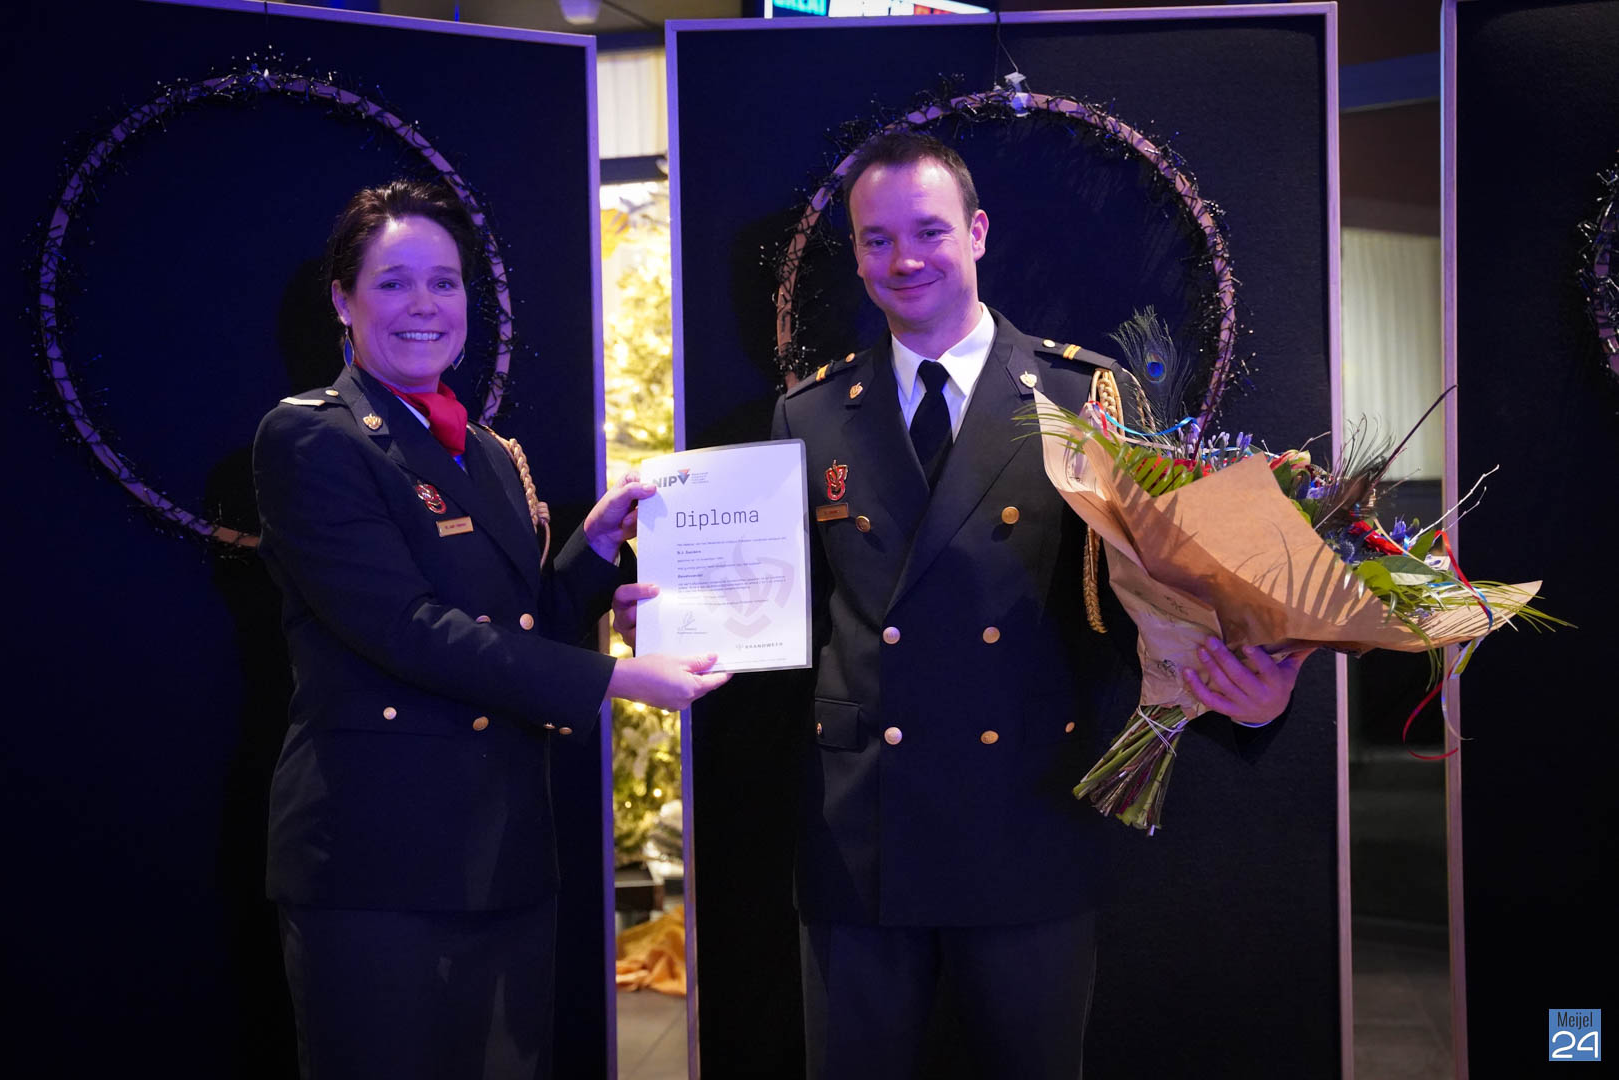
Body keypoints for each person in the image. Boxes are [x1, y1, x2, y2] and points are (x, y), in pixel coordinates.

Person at [769, 132, 1308, 1079]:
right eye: (877, 240)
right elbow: (787, 617)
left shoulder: (1087, 395)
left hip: (1025, 822)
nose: (904, 259)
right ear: (855, 254)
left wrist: (1251, 701)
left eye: (929, 231)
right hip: (863, 833)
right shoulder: (808, 413)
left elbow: (1160, 598)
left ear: (977, 233)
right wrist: (681, 624)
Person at [252, 179, 729, 1080]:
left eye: (444, 282)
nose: (424, 305)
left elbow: (521, 625)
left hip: (502, 853)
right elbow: (409, 630)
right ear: (343, 301)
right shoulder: (313, 440)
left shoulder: (485, 452)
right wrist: (616, 680)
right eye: (393, 282)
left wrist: (595, 558)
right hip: (377, 861)